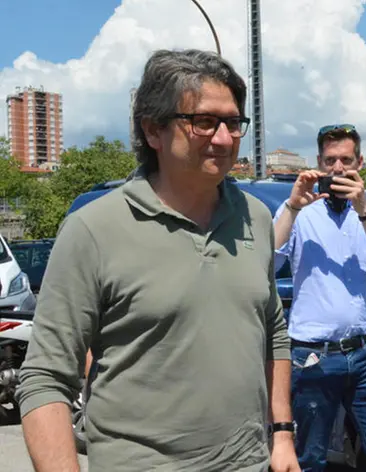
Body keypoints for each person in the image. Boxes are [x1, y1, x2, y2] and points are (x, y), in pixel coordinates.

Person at [15, 49, 298, 472]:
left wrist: (282, 434)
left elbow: (272, 330)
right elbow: (45, 379)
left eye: (233, 122)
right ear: (153, 130)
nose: (224, 138)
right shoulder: (94, 229)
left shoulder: (255, 218)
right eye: (203, 121)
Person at [273, 124, 366, 471]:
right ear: (318, 162)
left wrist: (363, 208)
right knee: (308, 460)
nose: (337, 168)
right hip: (312, 356)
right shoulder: (300, 213)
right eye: (330, 160)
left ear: (359, 162)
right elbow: (267, 262)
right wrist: (291, 206)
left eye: (346, 159)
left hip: (364, 354)